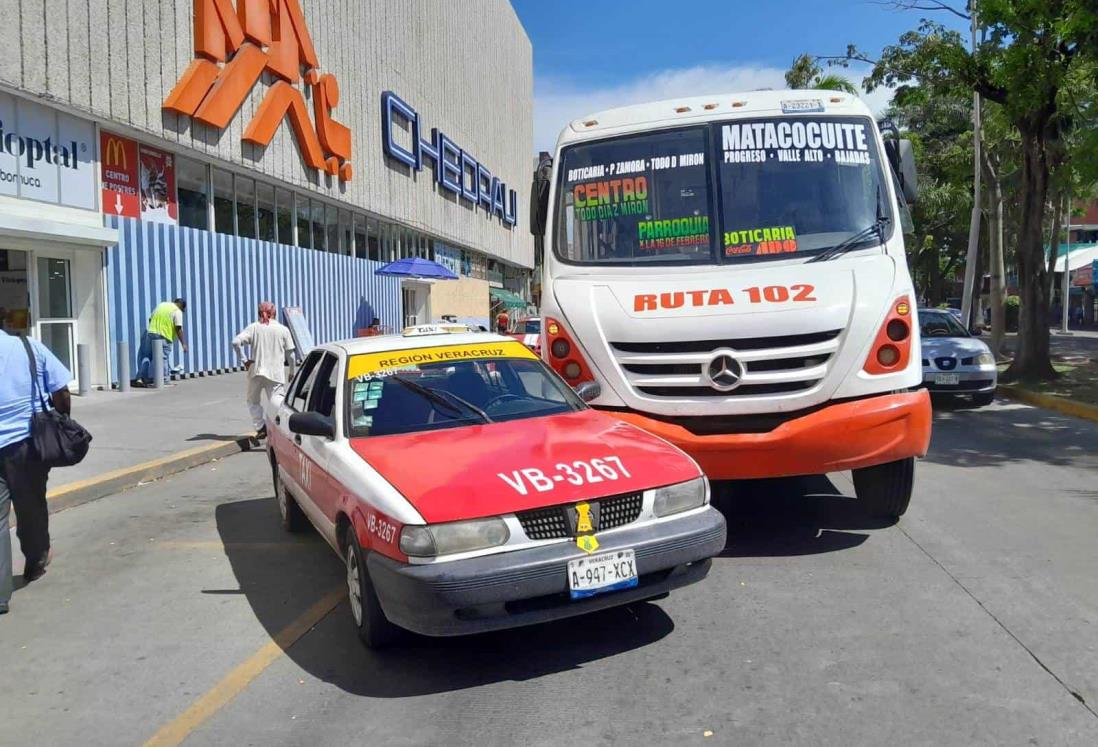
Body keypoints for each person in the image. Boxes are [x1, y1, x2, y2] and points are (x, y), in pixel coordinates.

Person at [0, 330, 73, 613]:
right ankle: (36, 560)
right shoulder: (28, 347)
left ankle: (1, 595)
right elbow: (61, 390)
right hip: (27, 444)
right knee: (30, 507)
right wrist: (63, 420)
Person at [232, 301, 295, 439]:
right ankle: (280, 432)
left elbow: (236, 342)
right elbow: (290, 354)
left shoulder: (253, 328)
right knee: (277, 404)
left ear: (259, 313)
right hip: (275, 374)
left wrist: (244, 360)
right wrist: (292, 371)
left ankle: (260, 426)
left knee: (252, 401)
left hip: (256, 371)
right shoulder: (283, 330)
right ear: (275, 313)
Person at [135, 298, 188, 387]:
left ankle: (141, 378)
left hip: (151, 333)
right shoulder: (177, 311)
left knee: (147, 355)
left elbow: (150, 319)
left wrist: (154, 330)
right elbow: (178, 328)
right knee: (163, 357)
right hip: (164, 336)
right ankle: (165, 380)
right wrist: (183, 343)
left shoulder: (161, 305)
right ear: (181, 306)